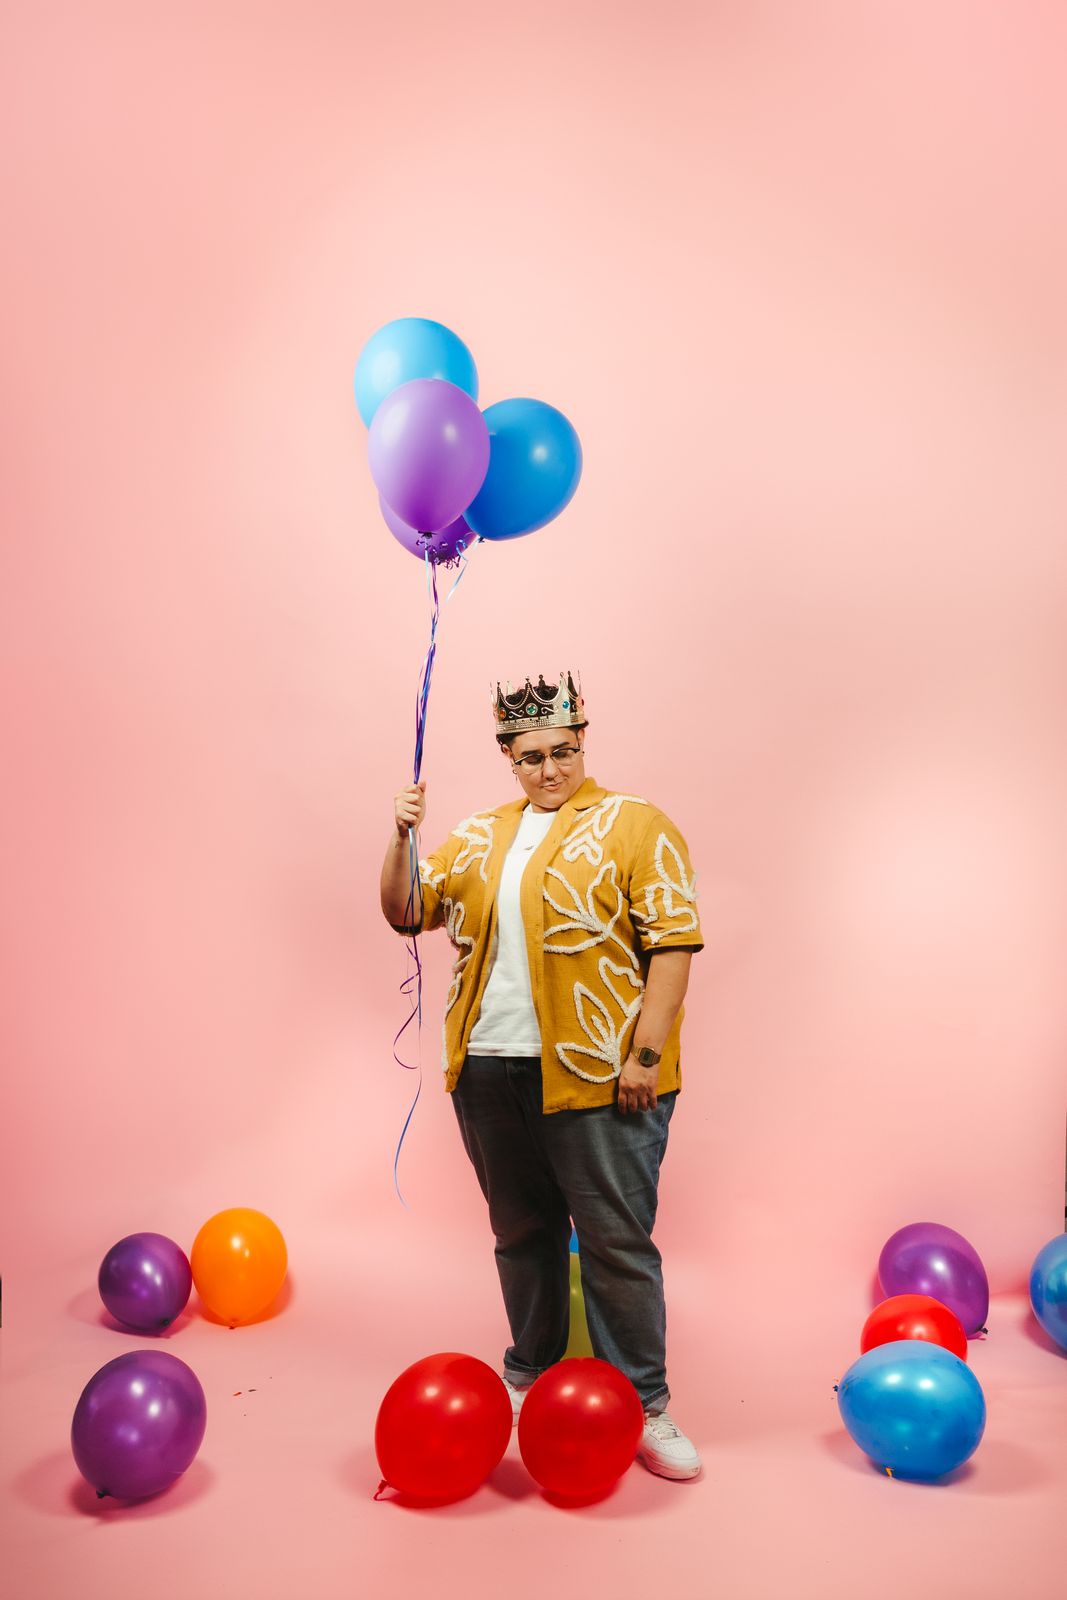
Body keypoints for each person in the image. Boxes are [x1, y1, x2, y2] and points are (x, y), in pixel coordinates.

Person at [379, 669, 704, 1480]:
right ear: (509, 757)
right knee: (521, 1235)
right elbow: (407, 911)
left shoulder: (634, 824)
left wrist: (645, 1055)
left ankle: (644, 1404)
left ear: (581, 743)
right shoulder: (479, 836)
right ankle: (529, 1372)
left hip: (599, 1076)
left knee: (615, 1243)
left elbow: (672, 942)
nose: (548, 769)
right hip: (489, 1070)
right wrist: (400, 836)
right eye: (530, 757)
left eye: (562, 751)